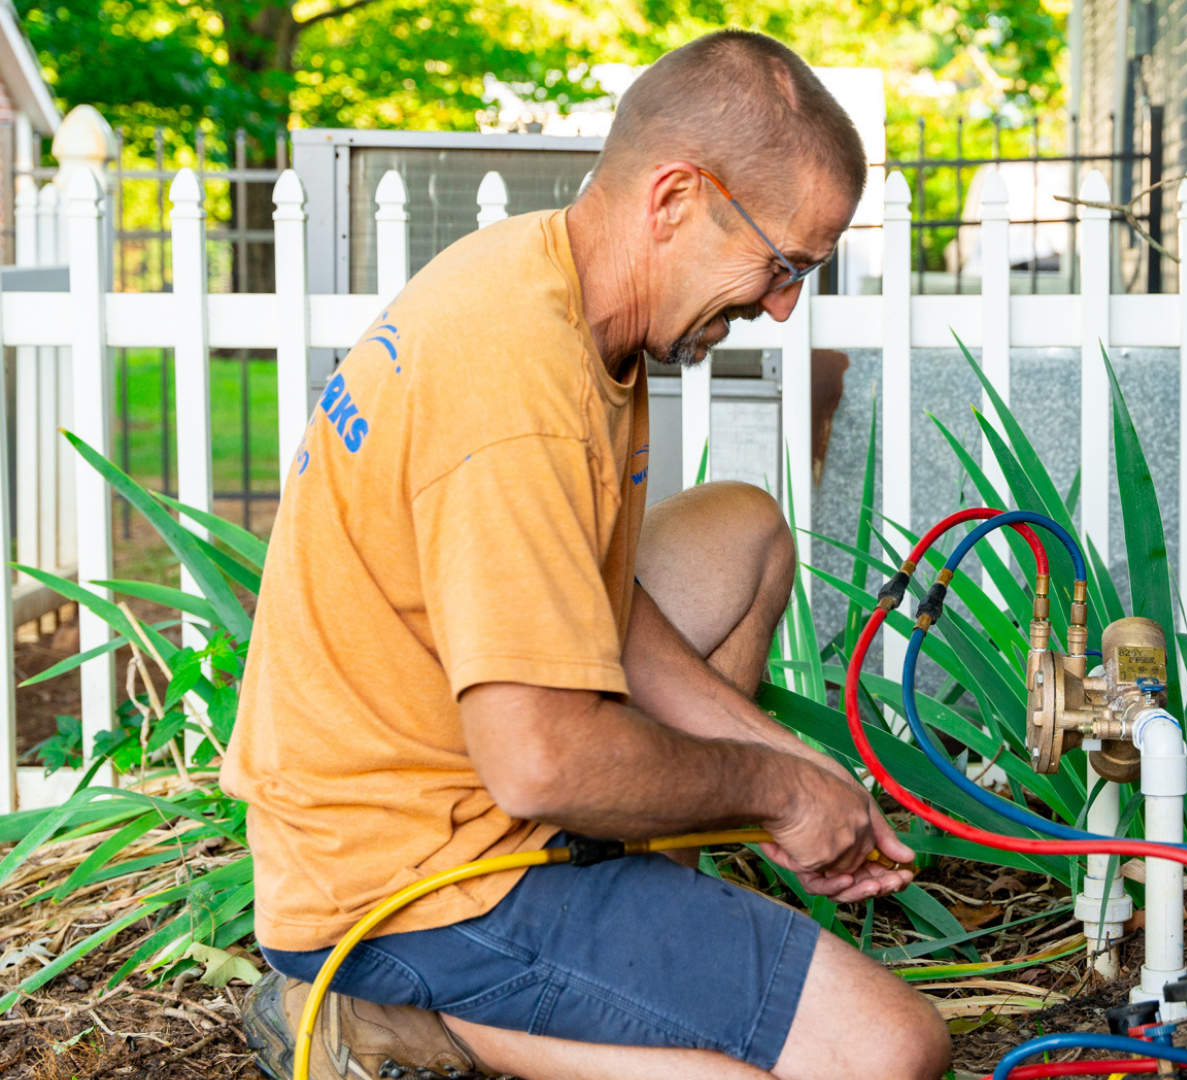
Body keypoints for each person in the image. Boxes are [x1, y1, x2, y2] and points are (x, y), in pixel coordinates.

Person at [227, 30, 950, 1080]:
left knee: (739, 531)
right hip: (409, 881)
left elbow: (600, 602)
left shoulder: (561, 289)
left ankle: (641, 945)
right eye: (782, 263)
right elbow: (539, 759)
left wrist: (796, 766)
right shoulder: (519, 391)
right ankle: (381, 1018)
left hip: (421, 795)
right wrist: (778, 796)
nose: (785, 304)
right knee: (889, 1054)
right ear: (672, 201)